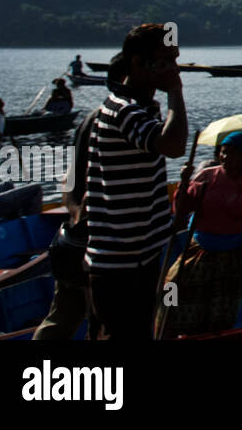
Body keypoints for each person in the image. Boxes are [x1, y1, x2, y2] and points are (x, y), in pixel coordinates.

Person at [84, 23, 188, 340]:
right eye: (165, 60)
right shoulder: (123, 111)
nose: (174, 68)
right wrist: (176, 92)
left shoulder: (142, 108)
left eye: (176, 59)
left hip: (141, 259)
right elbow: (173, 146)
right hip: (119, 268)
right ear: (137, 63)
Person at [156, 131, 242, 338]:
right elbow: (181, 210)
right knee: (171, 286)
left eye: (232, 153)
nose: (226, 157)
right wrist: (183, 182)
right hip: (199, 250)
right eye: (223, 153)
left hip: (231, 256)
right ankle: (167, 332)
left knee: (219, 311)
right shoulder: (206, 177)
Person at [33, 106, 100, 340]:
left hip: (72, 242)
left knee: (60, 318)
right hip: (96, 248)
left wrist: (75, 213)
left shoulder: (89, 122)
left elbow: (67, 181)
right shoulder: (120, 119)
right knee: (101, 318)